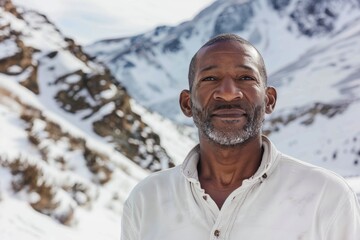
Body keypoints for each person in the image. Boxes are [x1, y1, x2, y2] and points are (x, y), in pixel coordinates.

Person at [121, 33, 360, 240]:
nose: (228, 93)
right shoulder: (147, 198)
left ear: (269, 100)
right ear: (187, 103)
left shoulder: (326, 196)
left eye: (245, 78)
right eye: (210, 79)